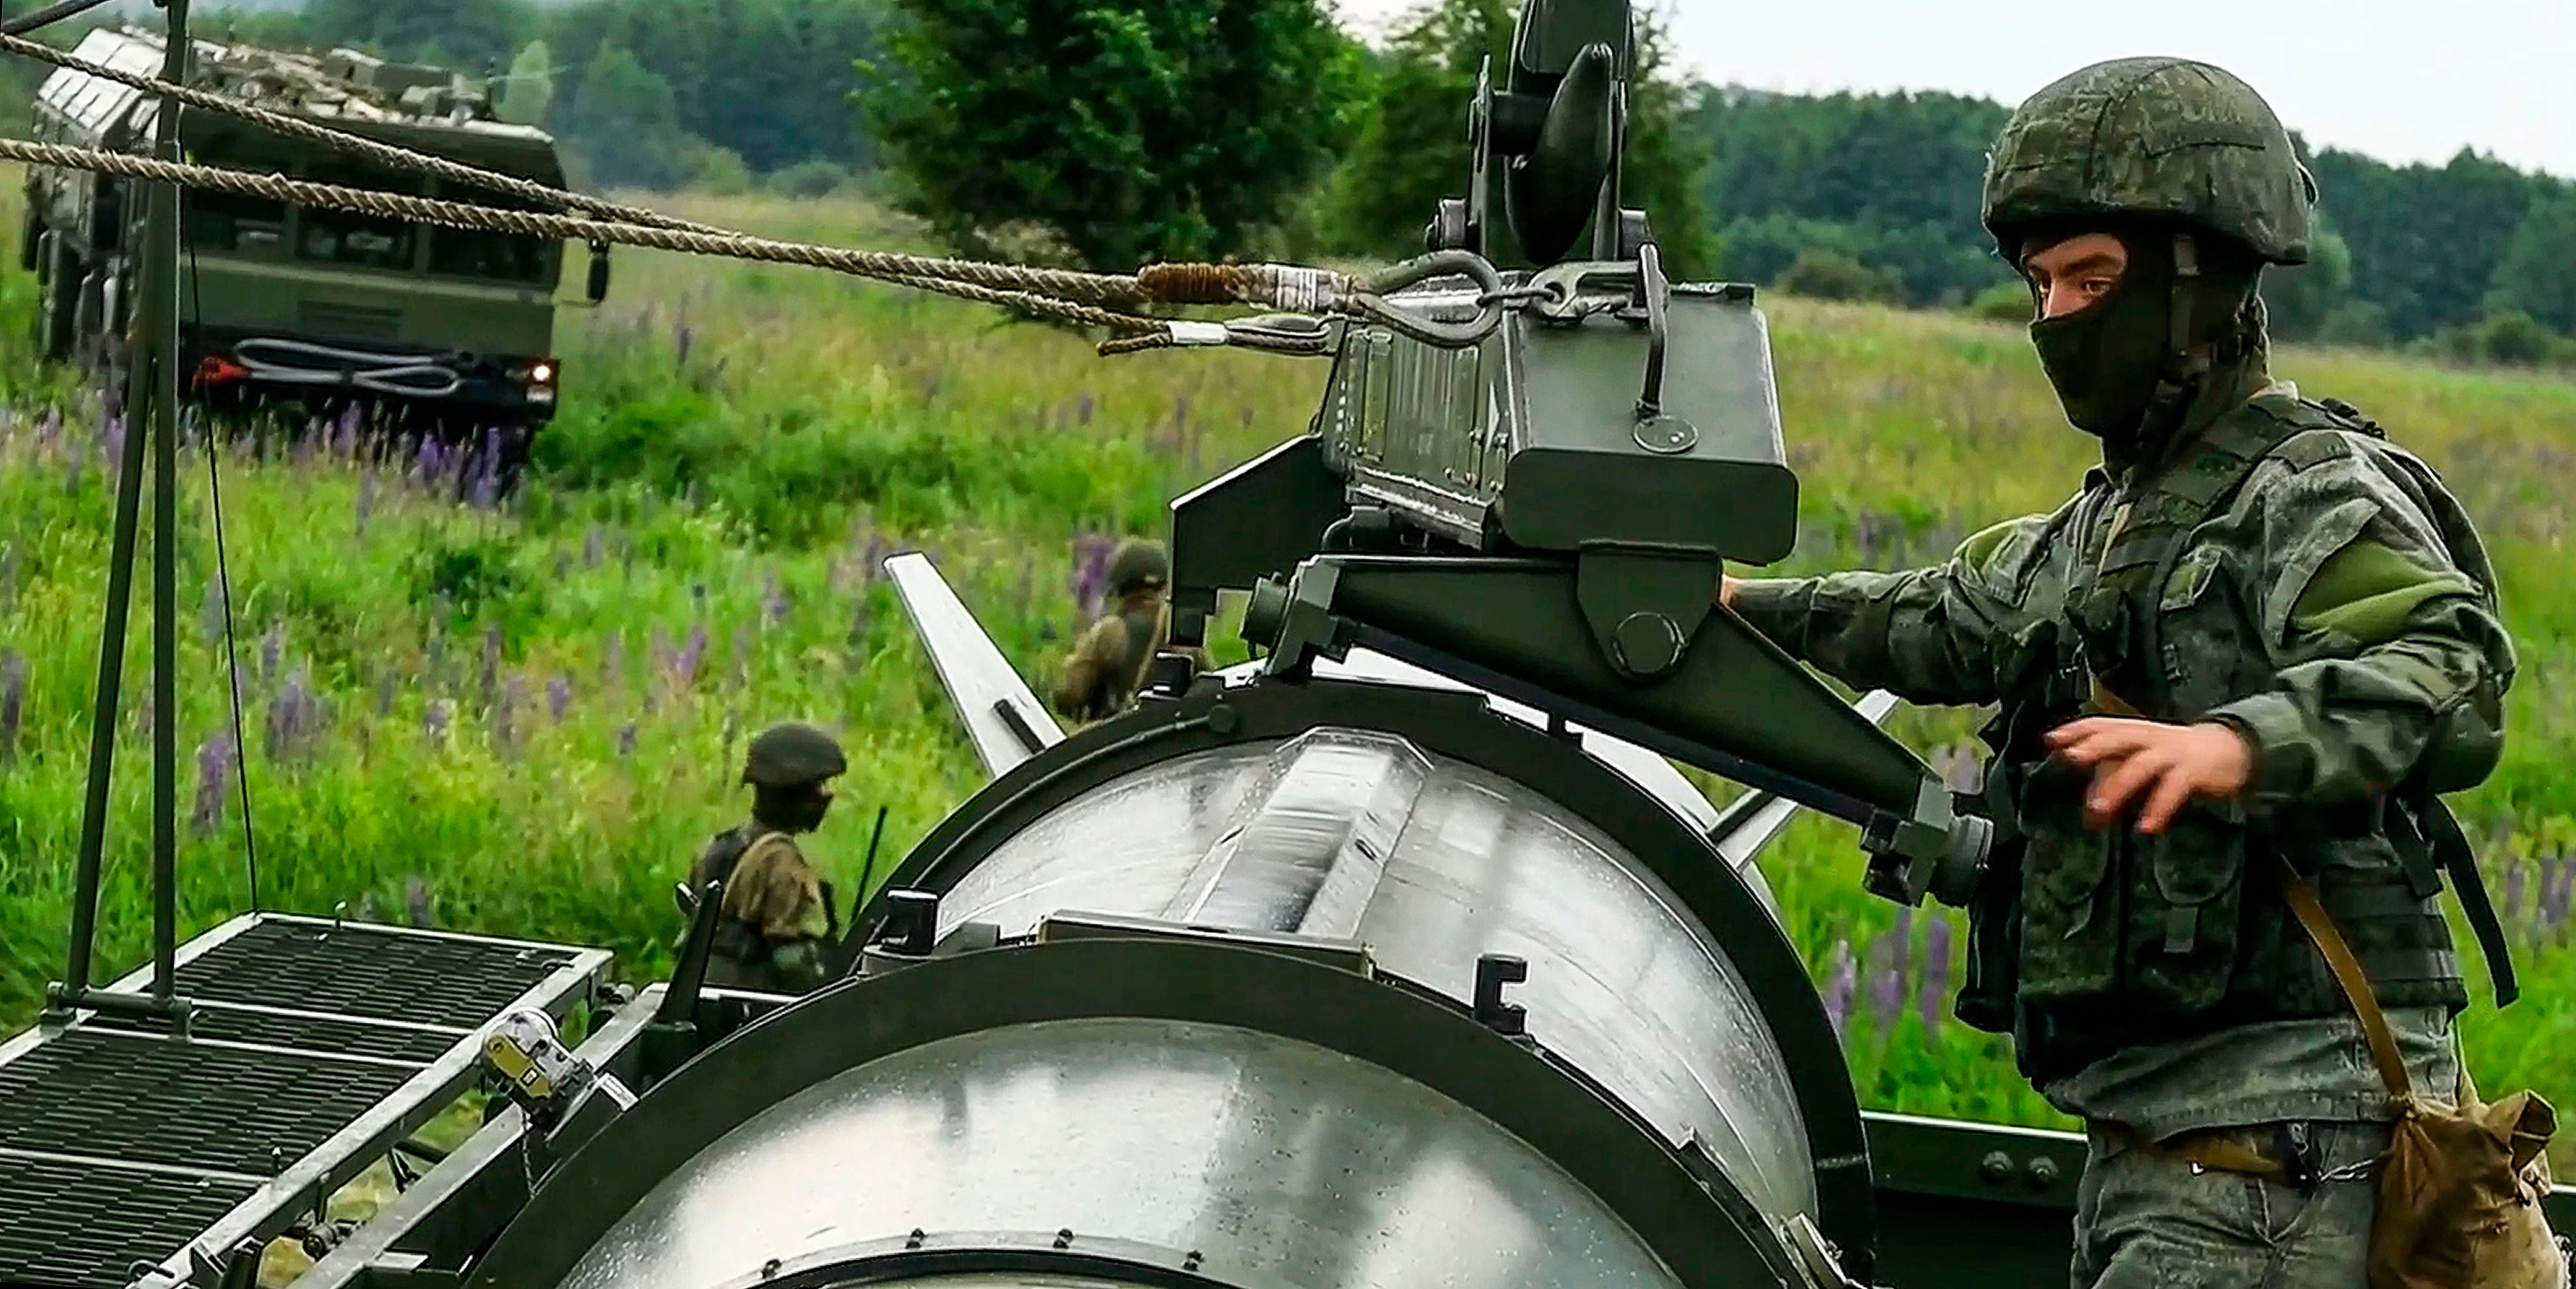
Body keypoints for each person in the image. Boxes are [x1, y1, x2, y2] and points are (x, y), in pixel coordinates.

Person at [1720, 57, 2517, 1288]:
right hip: (2158, 1152)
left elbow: (2447, 670)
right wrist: (1730, 608)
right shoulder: (2111, 527)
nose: (2056, 317)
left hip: (2281, 1160)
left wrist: (2240, 743)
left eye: (2090, 279)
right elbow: (1934, 615)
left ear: (2200, 286)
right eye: (2040, 284)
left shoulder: (2306, 491)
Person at [684, 721, 847, 994]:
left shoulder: (720, 847)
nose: (824, 797)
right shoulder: (780, 860)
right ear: (794, 793)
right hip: (751, 1009)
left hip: (704, 996)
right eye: (817, 788)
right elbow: (792, 962)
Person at [1051, 537, 1209, 724]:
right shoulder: (1182, 635)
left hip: (1118, 747)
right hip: (1171, 747)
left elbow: (1070, 696)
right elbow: (1209, 693)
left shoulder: (1109, 633)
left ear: (1120, 583)